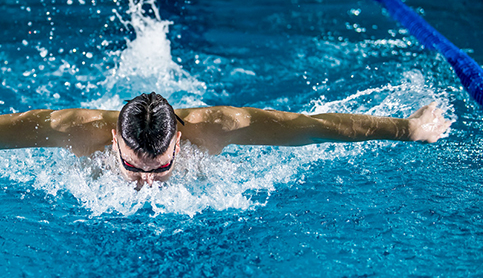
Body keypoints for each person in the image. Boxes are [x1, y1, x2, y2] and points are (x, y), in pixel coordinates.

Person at [0, 92, 452, 188]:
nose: (146, 183)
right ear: (114, 139)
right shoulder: (70, 129)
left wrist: (407, 129)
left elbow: (309, 126)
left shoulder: (220, 126)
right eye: (133, 166)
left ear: (178, 141)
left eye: (159, 168)